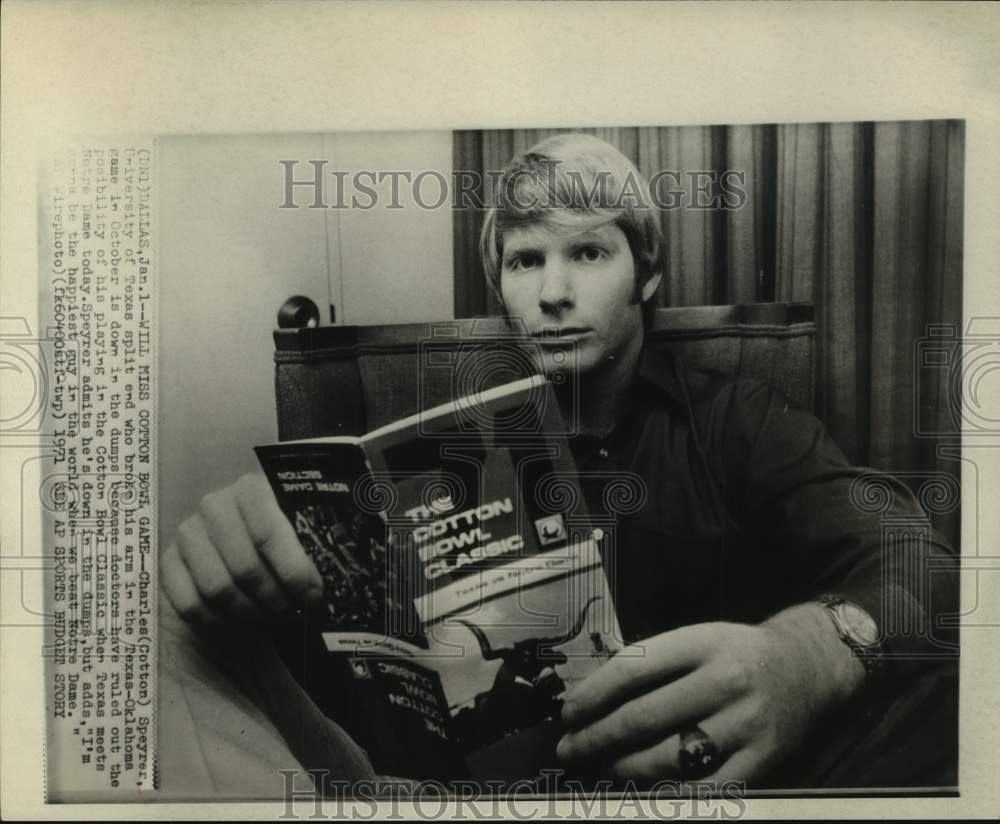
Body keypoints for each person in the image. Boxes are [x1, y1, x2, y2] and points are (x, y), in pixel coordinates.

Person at [160, 133, 959, 794]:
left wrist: (809, 655)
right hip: (456, 795)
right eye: (524, 262)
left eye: (587, 252)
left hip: (691, 785)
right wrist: (233, 564)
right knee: (168, 625)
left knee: (955, 688)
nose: (553, 292)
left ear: (646, 273)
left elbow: (914, 555)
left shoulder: (737, 421)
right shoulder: (423, 448)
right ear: (502, 290)